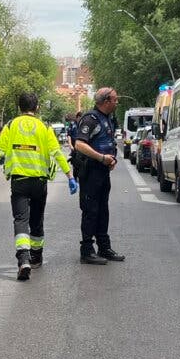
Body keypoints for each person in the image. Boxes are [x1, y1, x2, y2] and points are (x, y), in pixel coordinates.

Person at [0, 92, 77, 281]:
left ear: (19, 107)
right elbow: (57, 153)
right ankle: (36, 257)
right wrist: (70, 176)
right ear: (36, 107)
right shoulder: (44, 127)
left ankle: (23, 260)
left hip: (19, 181)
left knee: (21, 220)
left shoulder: (11, 125)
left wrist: (3, 158)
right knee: (36, 220)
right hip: (39, 182)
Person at [72, 87, 124, 264]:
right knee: (90, 211)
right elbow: (79, 144)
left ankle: (104, 247)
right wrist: (102, 158)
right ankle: (87, 251)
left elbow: (109, 142)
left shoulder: (107, 119)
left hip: (102, 172)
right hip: (91, 172)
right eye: (115, 99)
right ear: (106, 101)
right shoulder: (90, 119)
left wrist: (112, 159)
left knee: (103, 210)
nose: (117, 102)